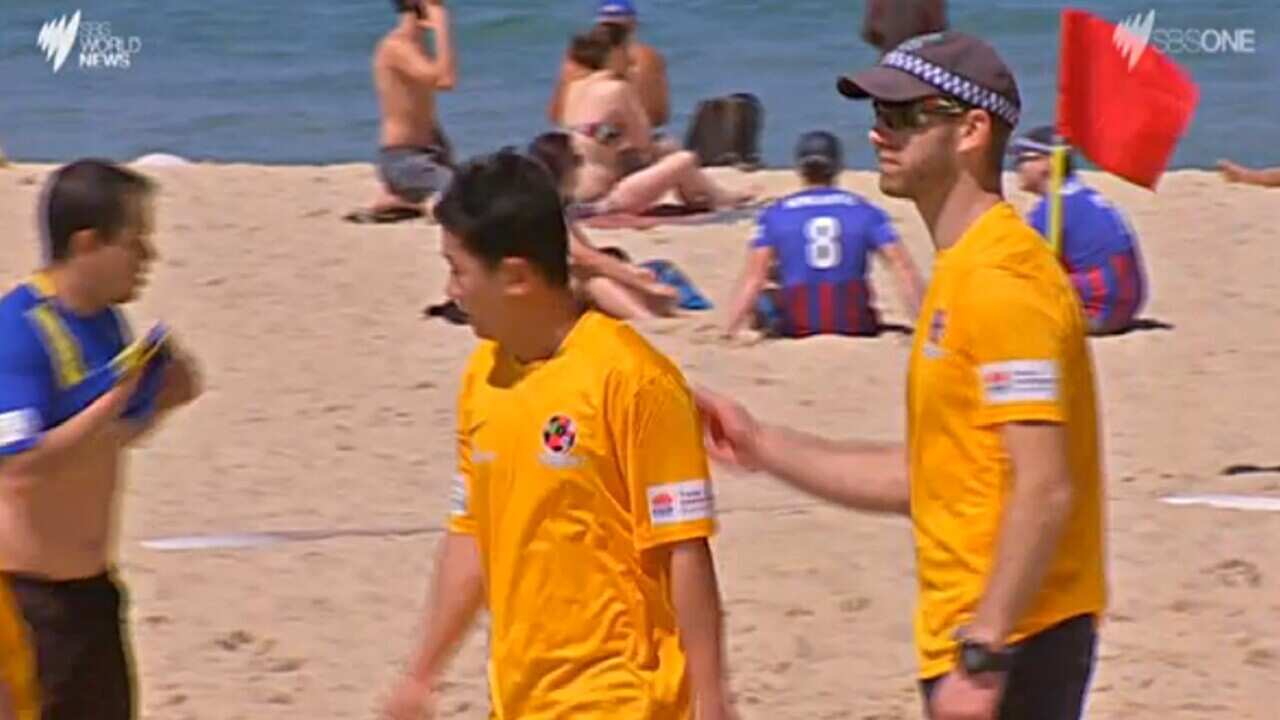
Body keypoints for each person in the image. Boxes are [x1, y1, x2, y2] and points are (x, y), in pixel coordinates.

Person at [697, 32, 1105, 720]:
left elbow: (1046, 485)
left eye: (907, 115)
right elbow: (931, 478)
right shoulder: (960, 273)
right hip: (977, 636)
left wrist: (984, 652)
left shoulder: (1004, 280)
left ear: (972, 130)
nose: (880, 132)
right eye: (880, 114)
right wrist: (764, 445)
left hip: (1018, 642)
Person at [383, 150, 737, 720]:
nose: (450, 290)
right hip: (520, 699)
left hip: (623, 698)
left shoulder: (633, 379)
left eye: (458, 269)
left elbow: (684, 550)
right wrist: (420, 675)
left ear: (517, 276)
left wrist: (715, 703)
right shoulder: (484, 376)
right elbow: (473, 533)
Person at [0, 159, 202, 720]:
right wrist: (116, 396)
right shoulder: (18, 329)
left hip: (93, 591)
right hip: (25, 600)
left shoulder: (108, 324)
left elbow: (107, 442)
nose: (149, 260)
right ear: (88, 243)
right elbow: (18, 467)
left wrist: (161, 401)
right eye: (136, 245)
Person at [723, 130, 925, 339]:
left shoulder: (776, 214)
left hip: (797, 324)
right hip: (853, 321)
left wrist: (730, 329)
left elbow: (753, 277)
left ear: (800, 168)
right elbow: (902, 268)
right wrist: (923, 323)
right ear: (838, 167)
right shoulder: (866, 211)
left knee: (769, 287)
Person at [558, 27, 751, 216]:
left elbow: (590, 136)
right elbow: (643, 143)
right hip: (602, 200)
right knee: (683, 159)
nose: (632, 58)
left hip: (574, 191)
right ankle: (717, 198)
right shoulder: (618, 89)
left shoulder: (576, 87)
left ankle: (708, 195)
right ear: (615, 53)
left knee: (668, 150)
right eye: (628, 49)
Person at [527, 131, 680, 320]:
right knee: (594, 280)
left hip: (541, 284)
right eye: (577, 160)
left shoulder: (551, 203)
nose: (581, 167)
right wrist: (642, 282)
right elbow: (583, 258)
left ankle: (651, 312)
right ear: (563, 167)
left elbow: (587, 253)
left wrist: (629, 273)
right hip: (537, 292)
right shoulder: (544, 208)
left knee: (611, 262)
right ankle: (645, 319)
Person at [1012, 125, 1148, 335]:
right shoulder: (1089, 197)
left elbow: (1026, 266)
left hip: (1096, 313)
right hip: (1126, 308)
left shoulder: (1053, 209)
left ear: (1047, 163)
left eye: (1024, 158)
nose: (1017, 167)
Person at [352, 0, 457, 223]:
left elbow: (418, 108)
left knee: (477, 186)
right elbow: (445, 80)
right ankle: (408, 196)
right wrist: (442, 25)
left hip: (430, 153)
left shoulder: (415, 48)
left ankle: (400, 197)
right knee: (463, 195)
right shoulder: (395, 47)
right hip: (404, 159)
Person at [548, 0, 670, 132]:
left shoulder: (572, 59)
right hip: (621, 138)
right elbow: (658, 117)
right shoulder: (646, 56)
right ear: (633, 25)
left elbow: (556, 116)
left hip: (574, 137)